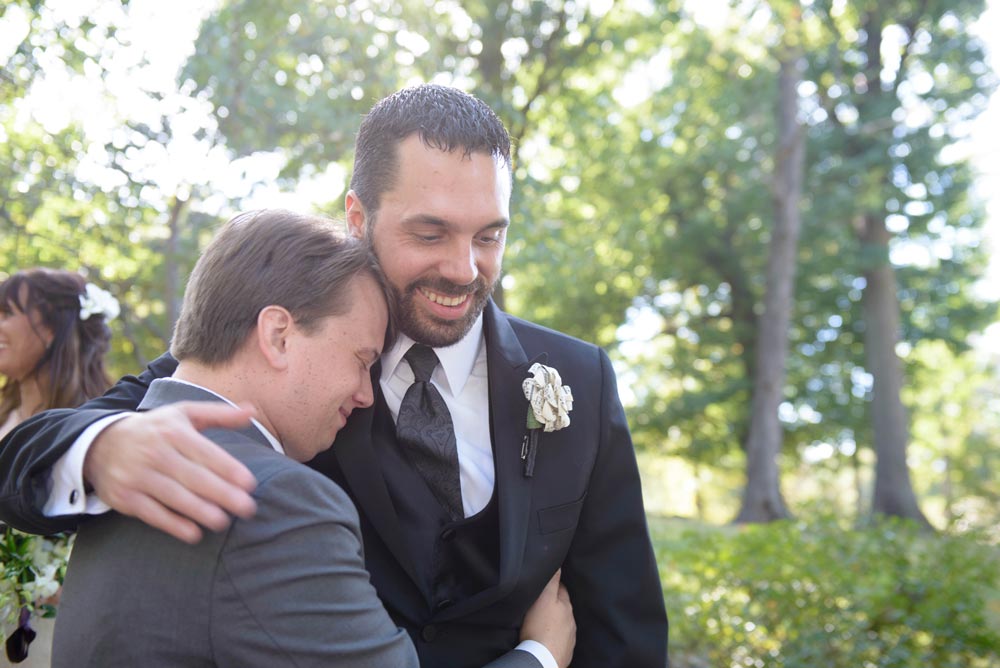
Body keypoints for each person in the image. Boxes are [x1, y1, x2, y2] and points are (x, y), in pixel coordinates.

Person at [0, 85, 668, 667]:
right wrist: (104, 447)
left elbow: (622, 630)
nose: (465, 269)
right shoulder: (279, 346)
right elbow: (26, 455)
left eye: (488, 236)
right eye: (430, 233)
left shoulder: (577, 378)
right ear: (358, 217)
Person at [51, 209, 574, 667]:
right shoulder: (277, 503)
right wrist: (541, 655)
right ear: (279, 335)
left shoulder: (110, 468)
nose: (366, 394)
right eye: (362, 360)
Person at [0, 268, 117, 666]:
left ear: (51, 329)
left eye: (6, 313)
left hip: (49, 632)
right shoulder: (4, 415)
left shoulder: (96, 437)